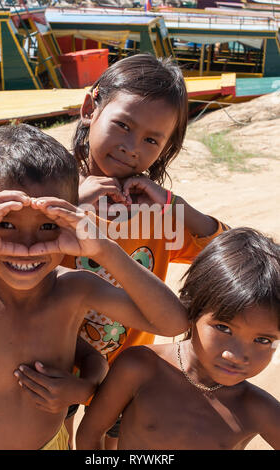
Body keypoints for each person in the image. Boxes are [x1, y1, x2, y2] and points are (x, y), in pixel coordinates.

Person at [0, 124, 189, 450]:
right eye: (4, 224)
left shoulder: (74, 290)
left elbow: (173, 322)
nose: (27, 245)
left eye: (48, 226)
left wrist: (103, 247)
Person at [69, 53, 230, 447]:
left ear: (166, 147)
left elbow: (226, 255)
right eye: (123, 125)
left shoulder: (154, 212)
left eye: (151, 140)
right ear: (91, 108)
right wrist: (71, 201)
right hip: (55, 369)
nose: (130, 147)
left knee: (107, 446)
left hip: (125, 375)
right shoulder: (51, 188)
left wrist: (178, 207)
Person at [77, 227, 280, 450]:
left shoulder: (258, 409)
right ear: (191, 308)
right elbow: (90, 435)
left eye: (263, 340)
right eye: (223, 327)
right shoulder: (139, 367)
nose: (235, 355)